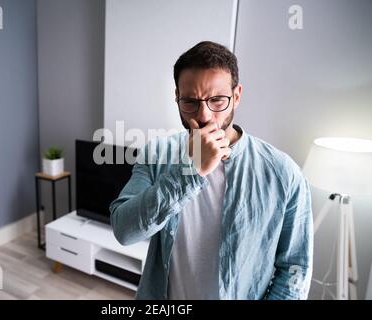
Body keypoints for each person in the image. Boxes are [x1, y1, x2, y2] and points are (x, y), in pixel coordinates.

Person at [109, 41, 313, 300]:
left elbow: (295, 270)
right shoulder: (156, 154)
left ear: (236, 95)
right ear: (177, 97)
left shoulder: (284, 173)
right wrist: (190, 171)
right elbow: (125, 231)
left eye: (217, 100)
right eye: (190, 102)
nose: (204, 115)